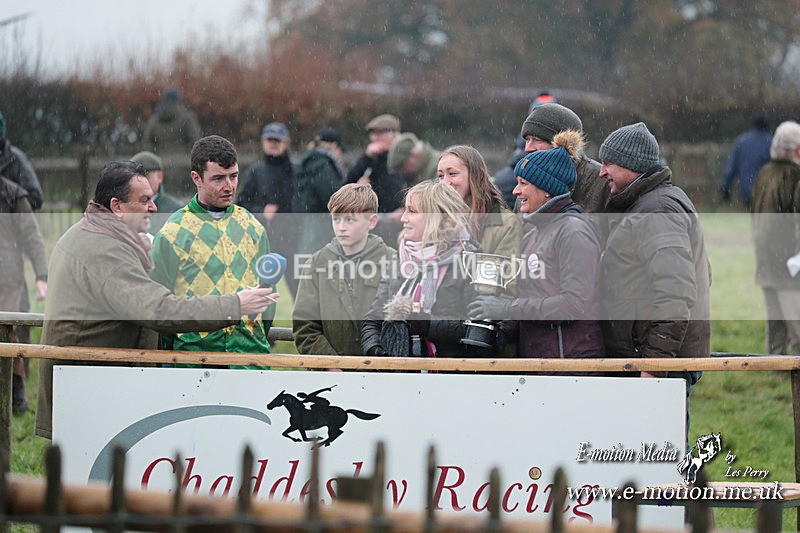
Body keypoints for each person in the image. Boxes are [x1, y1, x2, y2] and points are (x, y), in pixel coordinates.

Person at [35, 160, 278, 438]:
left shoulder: (96, 234)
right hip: (90, 391)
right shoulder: (104, 251)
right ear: (116, 206)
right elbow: (158, 309)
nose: (153, 207)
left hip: (94, 385)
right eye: (144, 201)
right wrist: (236, 304)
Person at [597, 122, 710, 429]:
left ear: (631, 165)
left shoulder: (656, 211)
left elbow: (676, 293)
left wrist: (653, 366)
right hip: (650, 358)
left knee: (660, 451)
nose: (601, 172)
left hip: (655, 364)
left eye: (608, 163)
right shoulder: (648, 204)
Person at [466, 130, 604, 366]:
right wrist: (499, 329)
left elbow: (575, 303)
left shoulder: (573, 231)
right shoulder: (533, 234)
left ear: (547, 188)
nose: (516, 191)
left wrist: (508, 308)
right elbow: (529, 298)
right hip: (539, 362)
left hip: (570, 365)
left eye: (524, 184)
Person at [151, 135, 278, 363]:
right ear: (196, 178)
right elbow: (160, 307)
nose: (229, 186)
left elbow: (267, 297)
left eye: (234, 176)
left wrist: (255, 338)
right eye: (218, 178)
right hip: (194, 361)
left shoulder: (252, 226)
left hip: (249, 359)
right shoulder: (173, 233)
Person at [361, 180, 485, 358]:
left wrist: (428, 325)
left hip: (449, 369)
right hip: (400, 370)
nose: (403, 218)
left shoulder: (470, 260)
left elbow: (479, 329)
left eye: (412, 211)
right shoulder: (400, 259)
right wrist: (374, 348)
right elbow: (373, 320)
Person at [292, 183, 395, 356]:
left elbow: (401, 326)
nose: (341, 227)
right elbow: (305, 326)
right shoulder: (316, 264)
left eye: (350, 220)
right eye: (336, 219)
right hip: (332, 369)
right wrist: (330, 364)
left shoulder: (393, 262)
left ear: (371, 222)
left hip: (382, 367)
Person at [0, 109, 45, 410]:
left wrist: (42, 275)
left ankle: (16, 392)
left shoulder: (15, 166)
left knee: (14, 325)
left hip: (9, 266)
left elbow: (32, 235)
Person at [751, 121, 800, 354]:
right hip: (790, 265)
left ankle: (776, 369)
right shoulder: (795, 176)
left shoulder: (764, 173)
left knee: (776, 331)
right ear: (797, 150)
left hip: (766, 261)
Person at [436, 145, 523, 267]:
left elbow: (506, 275)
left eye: (452, 173)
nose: (445, 182)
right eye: (441, 176)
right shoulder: (434, 219)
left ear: (477, 175)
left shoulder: (507, 224)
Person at [237, 122, 297, 290]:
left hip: (294, 238)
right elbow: (241, 205)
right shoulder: (255, 172)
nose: (273, 143)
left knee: (300, 288)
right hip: (265, 239)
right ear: (263, 142)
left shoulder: (296, 171)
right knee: (260, 289)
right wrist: (261, 212)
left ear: (286, 143)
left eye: (277, 140)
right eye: (270, 139)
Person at [520, 103, 609, 213]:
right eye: (527, 140)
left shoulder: (602, 181)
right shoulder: (528, 178)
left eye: (537, 139)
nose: (528, 148)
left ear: (563, 143)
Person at [291, 127, 347, 295]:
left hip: (306, 222)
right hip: (320, 224)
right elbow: (333, 197)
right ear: (335, 146)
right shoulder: (323, 165)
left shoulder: (307, 163)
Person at [345, 114, 405, 243]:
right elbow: (348, 182)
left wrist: (405, 209)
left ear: (394, 135)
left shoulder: (405, 157)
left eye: (379, 133)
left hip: (400, 222)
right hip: (377, 221)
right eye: (373, 134)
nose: (374, 138)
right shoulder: (373, 158)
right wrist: (367, 157)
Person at [719, 113, 772, 210]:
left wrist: (725, 188)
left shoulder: (742, 141)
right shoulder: (771, 142)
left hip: (747, 190)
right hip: (766, 190)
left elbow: (731, 168)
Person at [130, 151, 185, 234]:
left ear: (160, 177)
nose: (141, 182)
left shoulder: (176, 210)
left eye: (145, 176)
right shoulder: (123, 207)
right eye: (135, 177)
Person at [142, 87, 202, 154]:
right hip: (183, 158)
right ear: (179, 100)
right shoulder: (187, 118)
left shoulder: (154, 119)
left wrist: (154, 154)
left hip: (160, 158)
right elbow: (195, 140)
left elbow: (146, 142)